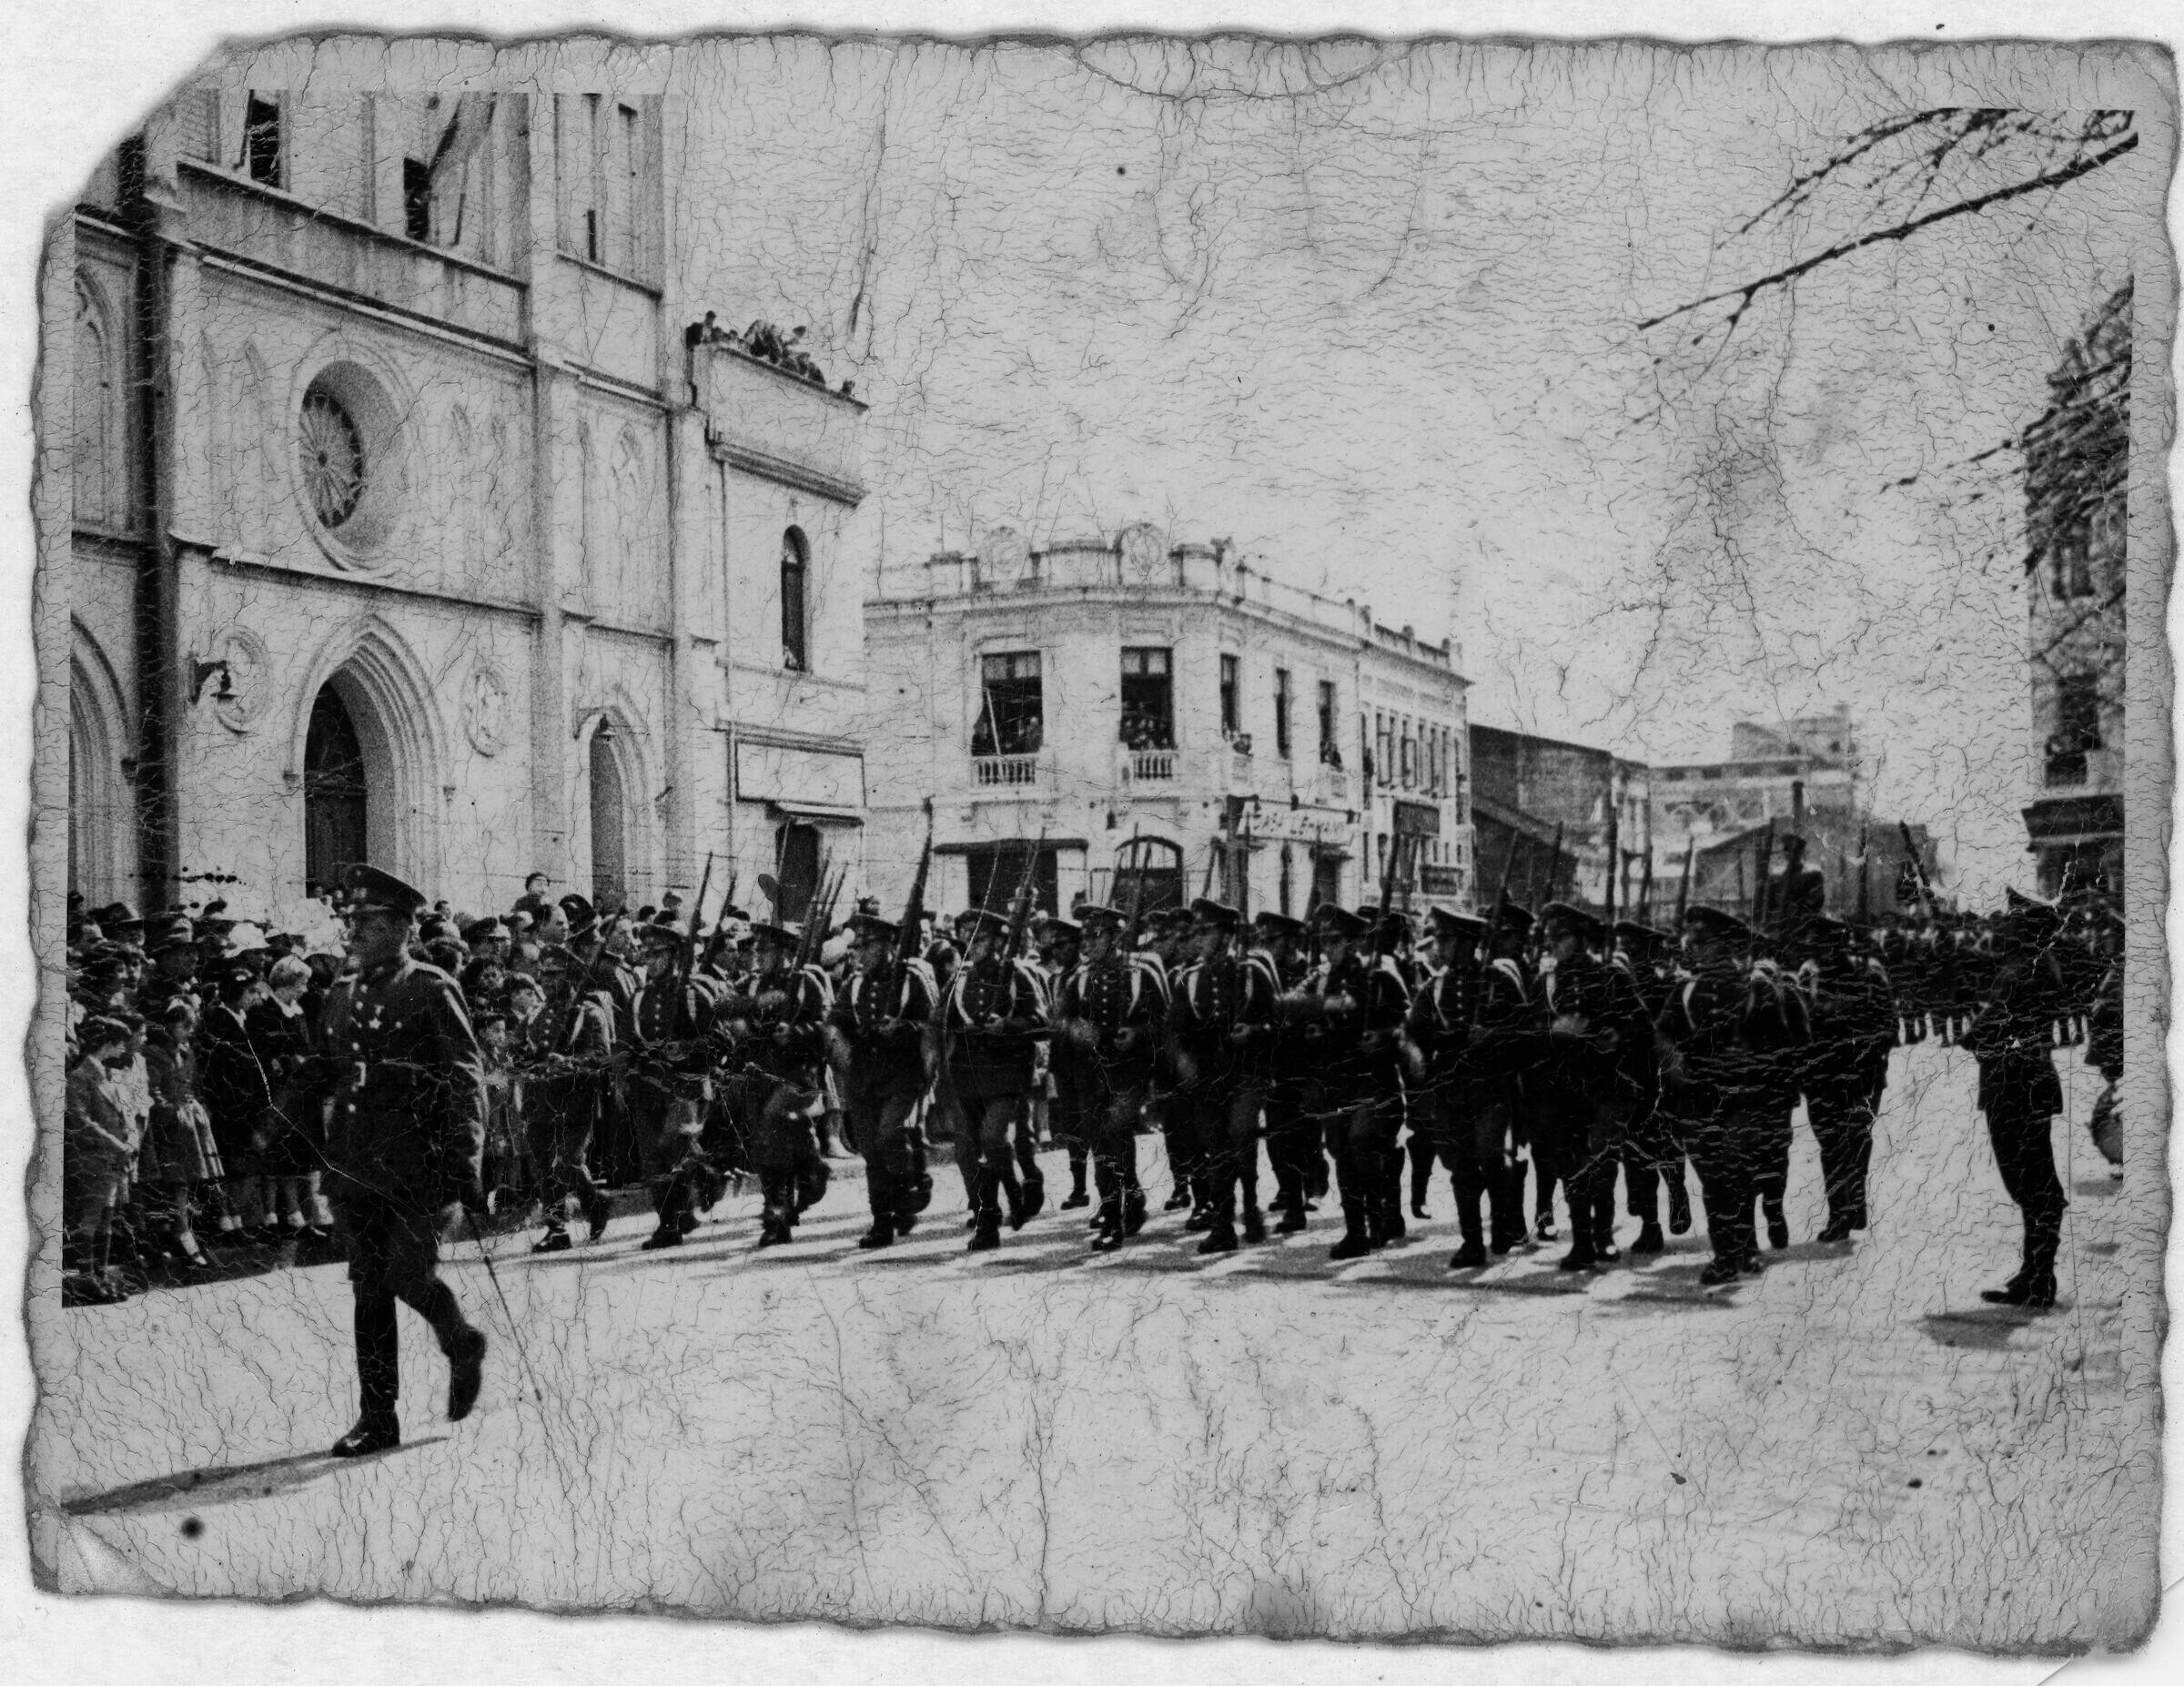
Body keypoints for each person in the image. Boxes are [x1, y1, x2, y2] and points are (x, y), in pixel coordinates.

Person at [311, 863, 490, 1458]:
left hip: (418, 1165)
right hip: (355, 1166)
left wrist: (466, 1159)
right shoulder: (341, 992)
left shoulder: (432, 987)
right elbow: (320, 1070)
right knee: (369, 1290)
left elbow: (465, 1076)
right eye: (351, 920)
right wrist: (280, 1124)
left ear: (401, 928)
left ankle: (460, 1339)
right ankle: (377, 1416)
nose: (353, 931)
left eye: (366, 921)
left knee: (407, 1275)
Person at [1961, 890, 2070, 1308]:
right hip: (2026, 1079)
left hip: (2015, 1084)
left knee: (2031, 1181)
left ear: (2024, 928)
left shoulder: (2025, 969)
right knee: (2033, 1180)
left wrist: (1973, 1030)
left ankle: (2039, 1276)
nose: (2004, 924)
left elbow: (1986, 1028)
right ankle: (2035, 1273)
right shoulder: (2033, 963)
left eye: (2011, 920)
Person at [936, 907, 1049, 1252]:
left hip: (1005, 1075)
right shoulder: (960, 978)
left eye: (980, 937)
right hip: (968, 1074)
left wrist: (1009, 1025)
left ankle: (1014, 1191)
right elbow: (939, 1020)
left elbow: (1042, 1021)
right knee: (969, 1150)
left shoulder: (1016, 974)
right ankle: (989, 1220)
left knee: (992, 1137)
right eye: (967, 938)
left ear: (1000, 940)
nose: (972, 945)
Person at [1055, 904, 1158, 1251]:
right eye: (1085, 936)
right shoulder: (1079, 978)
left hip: (1129, 1073)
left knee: (1116, 1131)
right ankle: (1116, 1209)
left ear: (1115, 937)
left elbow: (1164, 1021)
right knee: (1101, 1143)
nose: (1088, 943)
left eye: (1096, 936)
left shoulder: (1139, 973)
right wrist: (1076, 1029)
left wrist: (1137, 1034)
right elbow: (1062, 1018)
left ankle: (1124, 1201)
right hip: (1091, 1074)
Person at [832, 912, 937, 1249]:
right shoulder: (854, 984)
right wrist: (840, 1046)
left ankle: (909, 1183)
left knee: (890, 1134)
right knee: (872, 1150)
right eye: (856, 946)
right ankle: (882, 1221)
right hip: (863, 1078)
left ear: (889, 944)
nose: (858, 953)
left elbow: (935, 1027)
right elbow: (835, 1024)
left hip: (902, 1075)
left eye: (867, 945)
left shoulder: (912, 980)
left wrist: (905, 1029)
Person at [1798, 915, 1896, 1244]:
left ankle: (1852, 1201)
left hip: (1861, 1076)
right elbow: (1799, 1025)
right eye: (1813, 944)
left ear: (1838, 943)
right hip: (1821, 1078)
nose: (1816, 951)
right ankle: (1841, 1210)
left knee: (1855, 1140)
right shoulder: (1808, 975)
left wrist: (1867, 1055)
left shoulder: (1869, 974)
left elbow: (1889, 1025)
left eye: (1822, 944)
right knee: (1831, 1146)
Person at [519, 944, 616, 1253]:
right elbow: (518, 1049)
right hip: (540, 1099)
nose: (548, 981)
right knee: (543, 1167)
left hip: (576, 1099)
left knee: (569, 1163)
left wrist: (569, 1062)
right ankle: (556, 1229)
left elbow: (601, 1056)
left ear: (570, 976)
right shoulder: (536, 1014)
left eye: (555, 975)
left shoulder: (588, 1013)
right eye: (544, 975)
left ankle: (595, 1202)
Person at [65, 1016, 143, 1305]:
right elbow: (82, 1121)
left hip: (112, 1159)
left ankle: (100, 1278)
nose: (123, 1048)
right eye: (120, 1042)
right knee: (91, 1217)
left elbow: (122, 1114)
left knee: (106, 1219)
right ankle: (86, 1279)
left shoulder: (106, 1073)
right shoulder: (80, 1076)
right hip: (91, 1158)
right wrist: (118, 1145)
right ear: (106, 1043)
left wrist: (127, 1143)